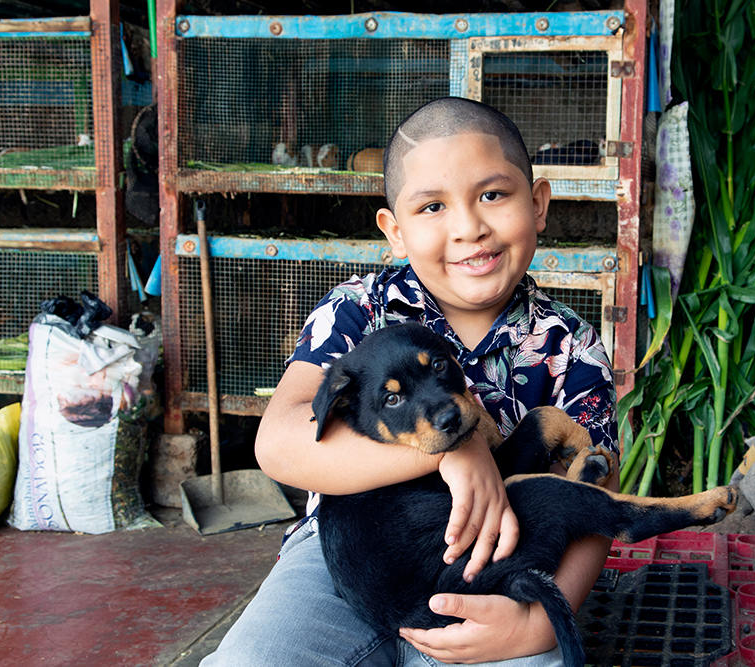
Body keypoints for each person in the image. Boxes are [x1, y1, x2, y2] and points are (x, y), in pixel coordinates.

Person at [201, 97, 619, 667]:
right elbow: (277, 442)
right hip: (345, 562)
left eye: (493, 195)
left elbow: (596, 491)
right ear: (394, 231)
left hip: (499, 565)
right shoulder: (356, 311)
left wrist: (542, 624)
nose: (470, 227)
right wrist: (450, 452)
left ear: (539, 203)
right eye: (432, 207)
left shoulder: (569, 345)